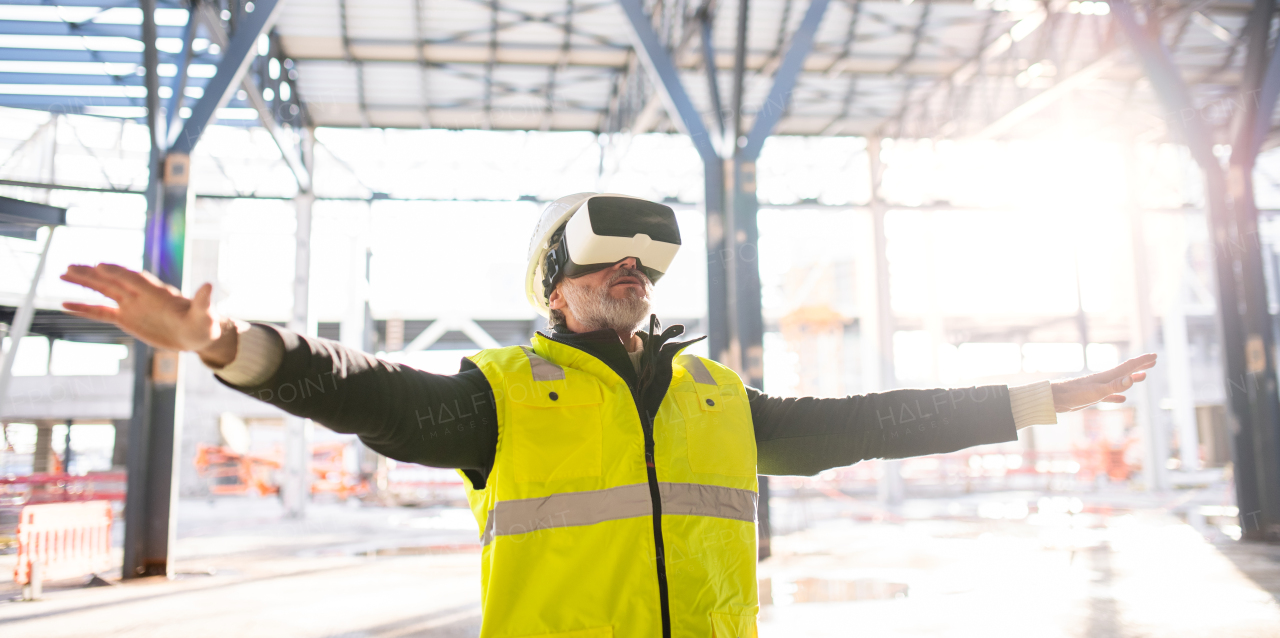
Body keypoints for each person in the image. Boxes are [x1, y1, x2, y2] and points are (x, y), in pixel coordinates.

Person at [61, 192, 1157, 638]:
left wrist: (1043, 397)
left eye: (641, 262)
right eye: (602, 262)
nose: (629, 271)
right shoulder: (496, 395)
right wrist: (220, 343)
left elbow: (874, 418)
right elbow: (360, 390)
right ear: (556, 291)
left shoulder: (715, 394)